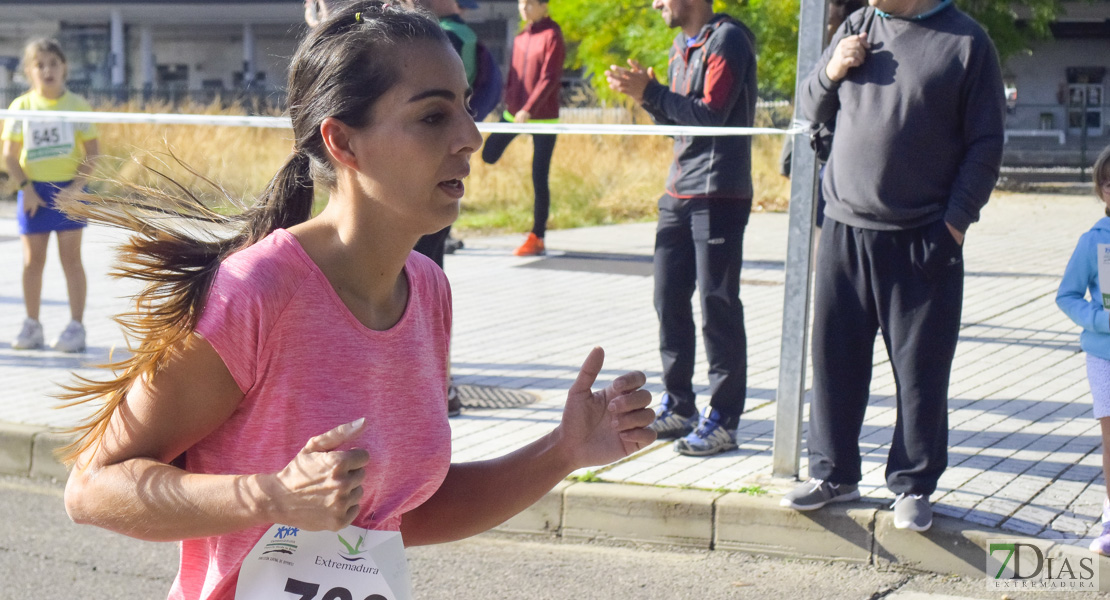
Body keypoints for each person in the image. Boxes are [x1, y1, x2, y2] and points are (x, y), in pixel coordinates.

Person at [59, 4, 655, 599]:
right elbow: (90, 489)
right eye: (432, 116)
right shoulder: (258, 291)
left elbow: (395, 517)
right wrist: (272, 494)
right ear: (342, 141)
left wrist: (562, 451)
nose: (470, 137)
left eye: (467, 107)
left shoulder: (427, 290)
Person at [780, 0, 1006, 533]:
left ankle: (913, 485)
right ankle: (834, 474)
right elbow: (809, 105)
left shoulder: (967, 43)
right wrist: (835, 68)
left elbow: (987, 144)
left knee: (920, 371)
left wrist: (954, 224)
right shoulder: (859, 25)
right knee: (835, 360)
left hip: (922, 237)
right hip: (843, 226)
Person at [605, 0, 756, 457]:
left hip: (719, 193)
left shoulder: (727, 39)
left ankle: (724, 419)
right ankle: (681, 404)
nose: (656, 5)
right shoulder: (677, 46)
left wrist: (652, 93)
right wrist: (647, 96)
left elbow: (711, 116)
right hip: (678, 191)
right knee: (667, 297)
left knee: (717, 304)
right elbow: (679, 125)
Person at [2, 38, 99, 353]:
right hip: (34, 193)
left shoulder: (77, 106)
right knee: (33, 261)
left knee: (71, 260)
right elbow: (10, 156)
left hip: (69, 192)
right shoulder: (22, 107)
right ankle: (32, 326)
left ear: (64, 68)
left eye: (53, 63)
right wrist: (26, 189)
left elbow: (93, 154)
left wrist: (75, 189)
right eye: (40, 65)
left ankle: (76, 327)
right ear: (30, 71)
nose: (47, 70)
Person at [1056, 144, 1110, 554]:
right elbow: (1068, 295)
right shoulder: (1093, 241)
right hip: (1104, 357)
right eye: (1109, 183)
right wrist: (1100, 320)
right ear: (1101, 191)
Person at [480, 0, 565, 257]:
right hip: (513, 113)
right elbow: (513, 74)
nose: (523, 9)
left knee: (539, 176)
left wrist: (530, 107)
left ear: (543, 6)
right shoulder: (520, 37)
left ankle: (537, 236)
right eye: (520, 4)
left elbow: (550, 77)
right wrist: (510, 102)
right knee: (488, 153)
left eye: (529, 4)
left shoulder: (553, 35)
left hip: (543, 118)